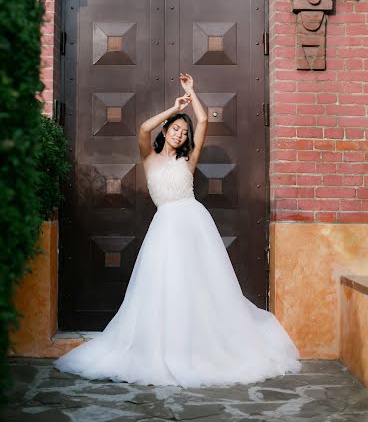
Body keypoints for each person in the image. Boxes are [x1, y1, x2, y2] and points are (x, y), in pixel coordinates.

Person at [54, 73, 301, 387]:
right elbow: (144, 128)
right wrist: (174, 108)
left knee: (200, 283)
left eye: (184, 132)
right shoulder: (149, 158)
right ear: (167, 131)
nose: (180, 134)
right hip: (166, 226)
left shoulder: (189, 160)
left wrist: (192, 93)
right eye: (175, 129)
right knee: (165, 283)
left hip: (194, 224)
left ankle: (202, 345)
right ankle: (165, 344)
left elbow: (203, 120)